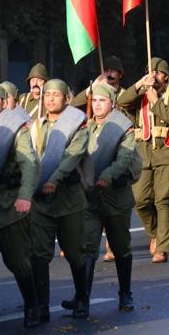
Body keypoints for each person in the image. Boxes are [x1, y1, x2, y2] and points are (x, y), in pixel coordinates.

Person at [0, 81, 40, 330]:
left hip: (9, 203)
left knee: (18, 261)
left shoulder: (17, 130)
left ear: (4, 103)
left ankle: (32, 305)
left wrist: (25, 196)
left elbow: (30, 164)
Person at [73, 84, 138, 313]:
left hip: (115, 198)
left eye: (103, 100)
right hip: (90, 199)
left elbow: (124, 159)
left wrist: (107, 176)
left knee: (120, 248)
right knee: (87, 247)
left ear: (112, 103)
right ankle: (83, 299)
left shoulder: (123, 128)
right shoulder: (86, 129)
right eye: (96, 100)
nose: (98, 104)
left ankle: (125, 294)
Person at [29, 79, 89, 319]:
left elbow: (72, 157)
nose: (51, 99)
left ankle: (82, 299)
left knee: (75, 252)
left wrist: (55, 178)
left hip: (68, 200)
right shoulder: (37, 125)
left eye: (56, 95)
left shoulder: (78, 126)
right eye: (48, 95)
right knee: (39, 254)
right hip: (41, 201)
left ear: (67, 99)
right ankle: (41, 306)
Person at [117, 58, 169, 264]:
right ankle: (154, 231)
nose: (154, 76)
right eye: (151, 72)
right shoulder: (141, 95)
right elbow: (122, 102)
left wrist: (155, 102)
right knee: (140, 200)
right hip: (143, 152)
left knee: (161, 200)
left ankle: (162, 247)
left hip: (165, 152)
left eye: (159, 72)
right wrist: (139, 85)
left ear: (167, 76)